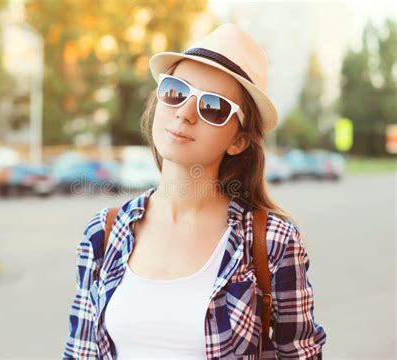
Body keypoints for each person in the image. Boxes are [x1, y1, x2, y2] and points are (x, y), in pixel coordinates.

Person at [63, 23, 326, 359]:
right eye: (176, 91)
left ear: (238, 140)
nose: (185, 113)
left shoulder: (272, 241)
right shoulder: (103, 233)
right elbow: (80, 353)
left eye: (212, 107)